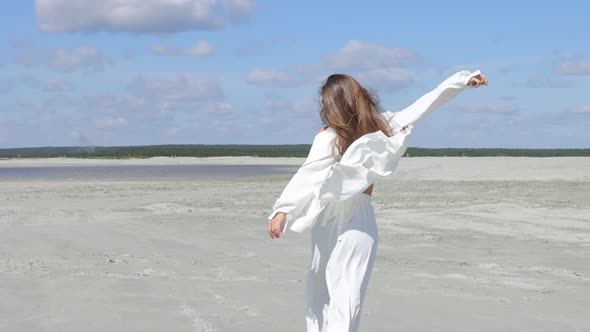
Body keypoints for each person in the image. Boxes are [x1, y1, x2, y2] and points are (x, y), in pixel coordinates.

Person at [266, 69, 488, 332]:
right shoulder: (326, 137)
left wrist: (461, 81)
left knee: (349, 291)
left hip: (359, 220)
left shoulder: (383, 124)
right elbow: (309, 172)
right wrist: (283, 210)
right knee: (320, 287)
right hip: (327, 218)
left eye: (328, 104)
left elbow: (425, 104)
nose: (325, 111)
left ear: (344, 103)